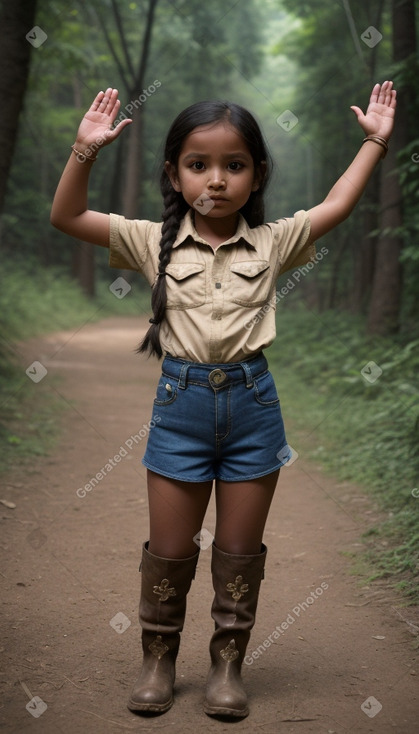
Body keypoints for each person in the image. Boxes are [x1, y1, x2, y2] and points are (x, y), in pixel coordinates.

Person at [51, 81, 396, 719]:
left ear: (257, 174)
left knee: (239, 552)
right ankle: (157, 660)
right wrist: (83, 152)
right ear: (174, 173)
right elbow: (67, 218)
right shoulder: (149, 240)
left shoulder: (274, 243)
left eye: (234, 165)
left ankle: (227, 665)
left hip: (252, 409)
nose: (216, 180)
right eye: (198, 164)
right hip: (179, 409)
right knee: (171, 551)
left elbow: (339, 204)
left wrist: (375, 140)